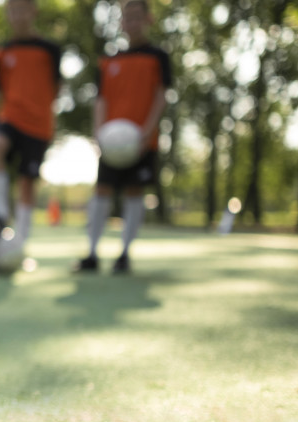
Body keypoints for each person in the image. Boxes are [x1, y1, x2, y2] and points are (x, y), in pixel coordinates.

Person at [74, 0, 170, 274]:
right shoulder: (108, 60)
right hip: (111, 142)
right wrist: (98, 133)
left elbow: (161, 96)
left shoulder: (158, 57)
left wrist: (147, 132)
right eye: (127, 17)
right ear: (121, 22)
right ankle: (91, 254)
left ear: (148, 19)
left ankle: (125, 254)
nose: (132, 22)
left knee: (134, 191)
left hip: (141, 141)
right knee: (101, 190)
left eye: (137, 17)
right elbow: (101, 99)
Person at [0, 0, 61, 246]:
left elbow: (56, 88)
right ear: (7, 14)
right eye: (12, 9)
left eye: (22, 8)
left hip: (38, 123)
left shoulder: (49, 49)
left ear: (34, 11)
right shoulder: (3, 50)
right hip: (9, 118)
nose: (18, 15)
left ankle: (21, 242)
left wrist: (51, 119)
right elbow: (1, 90)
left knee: (26, 181)